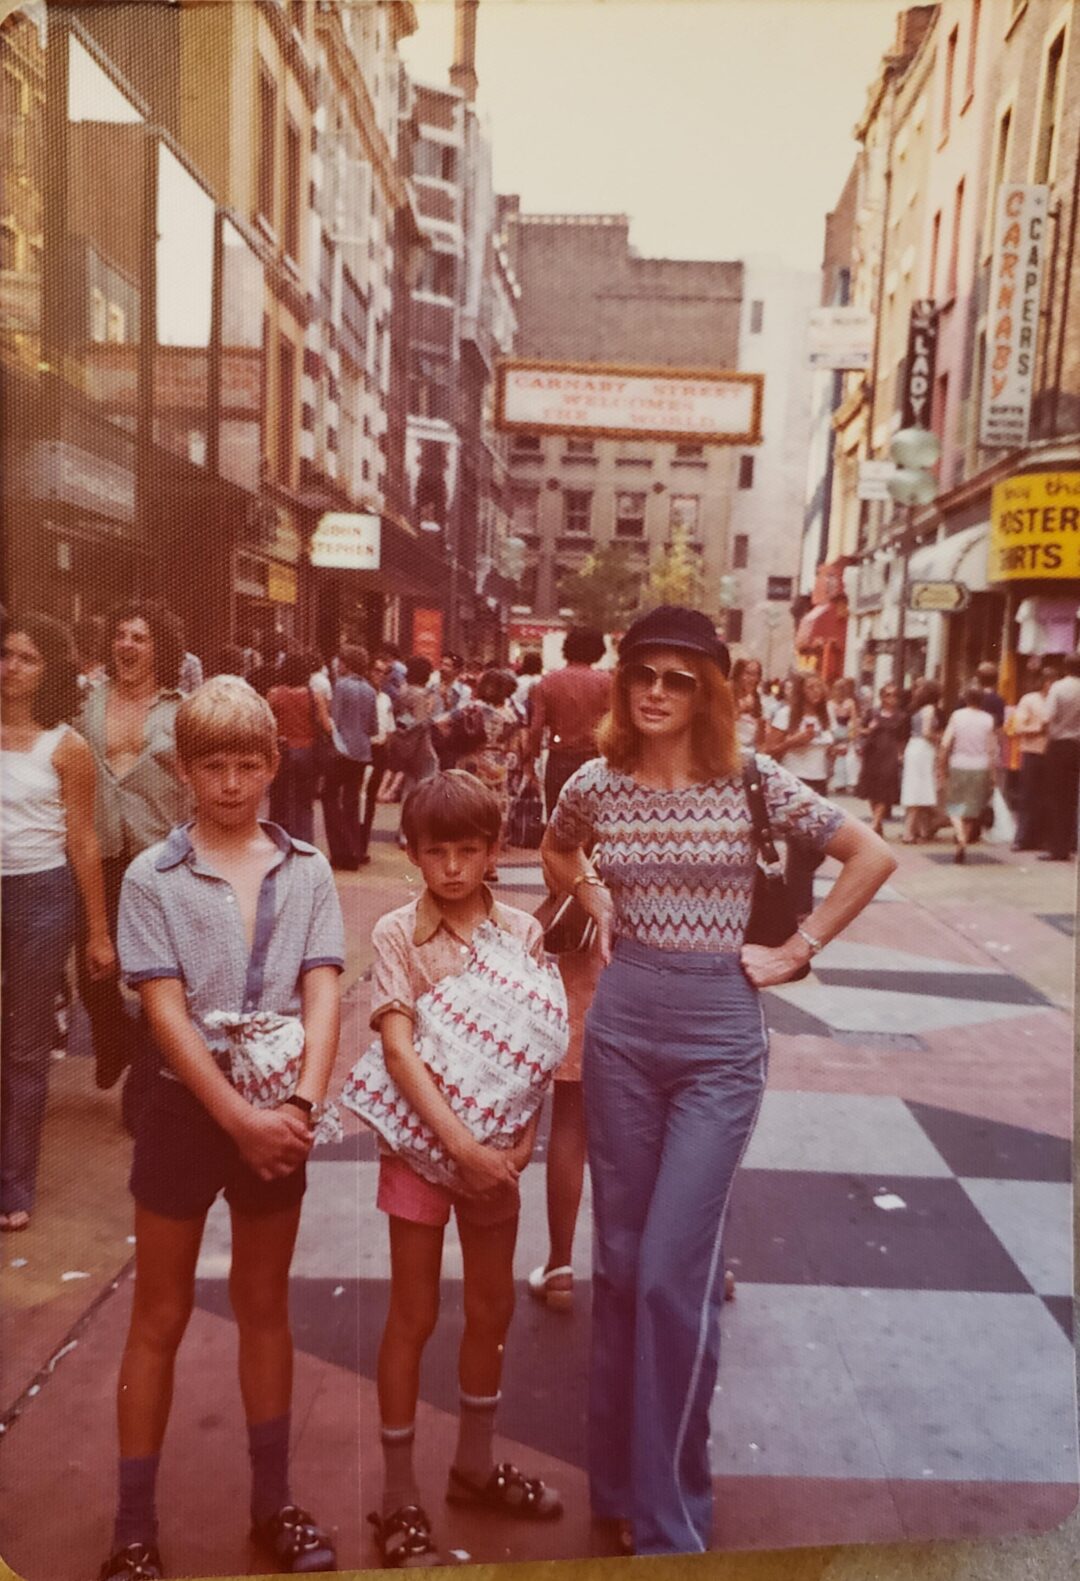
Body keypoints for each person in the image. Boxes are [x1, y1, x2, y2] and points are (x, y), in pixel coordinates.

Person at [539, 605, 894, 1558]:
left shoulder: (750, 781)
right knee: (619, 1265)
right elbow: (558, 846)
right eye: (643, 674)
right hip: (621, 1029)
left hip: (719, 1040)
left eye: (678, 678)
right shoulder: (596, 781)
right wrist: (594, 892)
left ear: (710, 691)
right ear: (622, 684)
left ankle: (670, 1514)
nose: (655, 691)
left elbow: (871, 853)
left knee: (669, 1276)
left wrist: (799, 951)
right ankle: (618, 1485)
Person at [99, 678, 344, 1581]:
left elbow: (323, 987)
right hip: (185, 1109)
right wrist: (236, 1118)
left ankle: (272, 1502)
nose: (233, 783)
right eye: (214, 766)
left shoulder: (307, 870)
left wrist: (300, 1107)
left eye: (249, 764)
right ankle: (133, 1527)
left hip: (279, 1111)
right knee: (157, 1312)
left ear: (275, 765)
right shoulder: (151, 876)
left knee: (264, 1305)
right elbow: (162, 1009)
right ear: (183, 769)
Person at [367, 771, 562, 1567]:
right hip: (420, 1148)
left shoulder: (520, 933)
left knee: (490, 1309)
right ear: (410, 850)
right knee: (411, 1314)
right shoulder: (395, 934)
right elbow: (397, 1045)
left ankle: (474, 1466)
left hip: (497, 1157)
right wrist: (460, 1146)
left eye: (469, 849)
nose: (451, 867)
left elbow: (539, 1043)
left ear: (495, 850)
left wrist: (521, 1145)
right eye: (434, 850)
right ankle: (397, 1492)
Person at [1, 615, 116, 1232]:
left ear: (50, 671)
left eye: (28, 658)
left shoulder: (66, 747)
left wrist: (97, 931)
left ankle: (14, 1182)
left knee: (25, 1046)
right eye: (7, 654)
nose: (13, 667)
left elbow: (83, 839)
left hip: (41, 898)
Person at [74, 600, 191, 1091]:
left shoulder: (180, 709)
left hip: (157, 855)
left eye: (140, 637)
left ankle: (144, 1085)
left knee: (153, 978)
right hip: (97, 851)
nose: (127, 644)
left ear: (159, 648)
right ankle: (112, 1036)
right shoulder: (87, 703)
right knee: (92, 968)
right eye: (121, 635)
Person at [765, 671, 835, 919]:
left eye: (820, 687)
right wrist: (794, 741)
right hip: (795, 781)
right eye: (811, 687)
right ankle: (799, 909)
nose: (817, 692)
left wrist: (835, 752)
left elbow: (827, 748)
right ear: (801, 691)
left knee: (817, 846)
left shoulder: (827, 716)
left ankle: (792, 900)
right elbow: (768, 750)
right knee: (800, 847)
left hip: (820, 782)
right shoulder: (786, 715)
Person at [525, 627, 611, 816]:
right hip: (595, 759)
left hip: (559, 760)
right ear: (598, 651)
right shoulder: (606, 682)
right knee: (593, 823)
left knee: (557, 822)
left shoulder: (548, 681)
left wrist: (531, 761)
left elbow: (536, 727)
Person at [320, 645, 378, 871]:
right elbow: (373, 727)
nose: (338, 665)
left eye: (341, 661)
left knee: (329, 796)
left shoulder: (342, 686)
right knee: (352, 801)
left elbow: (334, 719)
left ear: (347, 663)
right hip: (363, 752)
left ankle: (340, 850)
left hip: (342, 749)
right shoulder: (371, 691)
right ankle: (355, 850)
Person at [938, 679, 998, 864]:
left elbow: (945, 743)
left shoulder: (957, 716)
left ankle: (959, 836)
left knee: (955, 806)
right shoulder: (988, 719)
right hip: (980, 766)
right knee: (972, 808)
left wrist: (941, 765)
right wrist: (993, 774)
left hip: (959, 764)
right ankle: (964, 841)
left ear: (965, 698)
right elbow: (991, 749)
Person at [266, 652, 319, 844]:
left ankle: (278, 842)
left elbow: (266, 723)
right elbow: (323, 724)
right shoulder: (314, 695)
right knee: (304, 803)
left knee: (279, 801)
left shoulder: (274, 694)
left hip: (282, 751)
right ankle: (304, 843)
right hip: (307, 752)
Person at [1009, 662, 1056, 852]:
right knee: (1028, 796)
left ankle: (1042, 838)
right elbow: (1018, 727)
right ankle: (1023, 838)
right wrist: (1038, 729)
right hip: (1032, 752)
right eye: (1050, 681)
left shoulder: (1057, 701)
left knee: (1047, 797)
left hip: (1052, 753)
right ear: (1043, 682)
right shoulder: (1029, 700)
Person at [1040, 653, 1080, 861]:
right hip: (1077, 746)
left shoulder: (1058, 688)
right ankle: (1071, 842)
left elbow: (1048, 717)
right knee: (1072, 796)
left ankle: (1058, 848)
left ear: (1065, 668)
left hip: (1059, 745)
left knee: (1056, 796)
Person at [855, 681, 908, 837]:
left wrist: (901, 754)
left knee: (885, 789)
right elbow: (861, 731)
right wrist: (869, 729)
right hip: (872, 753)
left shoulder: (902, 716)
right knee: (872, 790)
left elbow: (903, 738)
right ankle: (877, 825)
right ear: (882, 697)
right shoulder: (873, 713)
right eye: (888, 695)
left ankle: (875, 823)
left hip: (890, 754)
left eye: (894, 695)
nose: (891, 698)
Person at [359, 656, 397, 857]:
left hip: (379, 751)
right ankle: (355, 843)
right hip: (364, 749)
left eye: (383, 672)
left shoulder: (385, 699)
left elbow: (389, 727)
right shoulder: (363, 695)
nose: (379, 676)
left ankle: (363, 845)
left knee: (370, 798)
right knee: (360, 797)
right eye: (376, 671)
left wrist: (388, 750)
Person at [900, 680, 943, 844]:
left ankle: (921, 830)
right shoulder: (930, 709)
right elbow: (926, 732)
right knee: (919, 789)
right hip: (923, 750)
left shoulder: (916, 709)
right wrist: (938, 738)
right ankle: (909, 833)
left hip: (913, 747)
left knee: (915, 787)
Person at [828, 677, 859, 792]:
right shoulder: (830, 704)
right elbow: (828, 720)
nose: (840, 691)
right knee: (835, 757)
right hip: (834, 730)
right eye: (837, 689)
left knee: (847, 757)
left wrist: (854, 734)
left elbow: (854, 720)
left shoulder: (849, 703)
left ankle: (847, 781)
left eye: (842, 689)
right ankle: (836, 781)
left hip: (846, 730)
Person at [729, 657, 764, 750]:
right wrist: (741, 709)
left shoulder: (756, 698)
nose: (752, 679)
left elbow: (759, 740)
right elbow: (720, 722)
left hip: (747, 751)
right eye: (748, 673)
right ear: (738, 674)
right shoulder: (727, 693)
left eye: (756, 674)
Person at [512, 651, 544, 723]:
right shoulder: (543, 681)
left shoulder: (517, 682)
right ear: (540, 665)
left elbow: (514, 701)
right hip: (540, 721)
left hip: (521, 720)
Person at [976, 660, 1006, 729]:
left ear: (978, 679)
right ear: (996, 680)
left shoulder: (967, 698)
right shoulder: (998, 700)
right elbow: (999, 725)